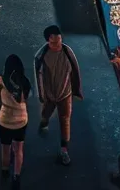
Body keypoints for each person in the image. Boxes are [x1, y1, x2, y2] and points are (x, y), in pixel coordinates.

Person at [34, 25, 83, 167]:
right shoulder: (41, 56)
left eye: (60, 40)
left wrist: (76, 90)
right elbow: (39, 77)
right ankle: (44, 121)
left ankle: (64, 150)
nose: (58, 44)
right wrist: (42, 95)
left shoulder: (67, 52)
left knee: (65, 120)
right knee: (46, 112)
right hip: (50, 95)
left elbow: (75, 71)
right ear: (49, 40)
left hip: (65, 94)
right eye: (55, 42)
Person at [0, 55, 31, 187]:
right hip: (21, 121)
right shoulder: (25, 82)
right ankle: (16, 176)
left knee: (5, 148)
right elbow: (25, 100)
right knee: (18, 149)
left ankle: (5, 170)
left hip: (5, 120)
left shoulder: (0, 81)